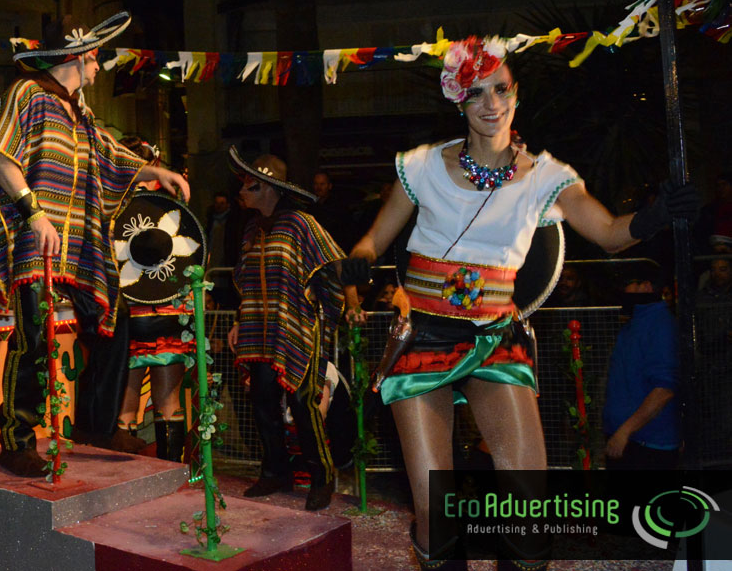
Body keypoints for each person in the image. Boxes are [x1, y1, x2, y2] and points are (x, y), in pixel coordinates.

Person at [342, 35, 697, 570]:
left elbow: (608, 233)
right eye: (476, 93)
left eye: (501, 89)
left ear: (516, 92)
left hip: (495, 340)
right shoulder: (421, 167)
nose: (491, 104)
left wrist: (656, 215)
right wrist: (359, 260)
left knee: (530, 516)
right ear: (457, 100)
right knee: (436, 515)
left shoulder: (548, 177)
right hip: (425, 339)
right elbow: (372, 240)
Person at [0, 13, 190, 477]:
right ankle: (16, 440)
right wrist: (33, 212)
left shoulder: (78, 113)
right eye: (96, 58)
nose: (99, 67)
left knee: (112, 323)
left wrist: (158, 171)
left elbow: (110, 155)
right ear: (78, 57)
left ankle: (95, 425)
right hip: (35, 238)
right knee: (33, 338)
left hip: (78, 243)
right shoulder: (27, 94)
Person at [226, 147, 345, 511]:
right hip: (257, 329)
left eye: (248, 185)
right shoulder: (250, 229)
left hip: (297, 328)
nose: (241, 191)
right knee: (262, 400)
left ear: (268, 187)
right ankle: (275, 471)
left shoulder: (301, 225)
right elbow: (246, 281)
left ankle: (322, 477)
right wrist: (239, 320)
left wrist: (326, 314)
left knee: (303, 403)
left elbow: (331, 269)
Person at [115, 137, 193, 462]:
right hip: (171, 311)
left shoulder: (112, 208)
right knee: (169, 403)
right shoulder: (169, 209)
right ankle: (172, 476)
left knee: (125, 407)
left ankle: (129, 480)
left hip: (128, 313)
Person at [603, 274, 680, 470]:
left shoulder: (660, 326)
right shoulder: (635, 324)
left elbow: (664, 390)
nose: (623, 291)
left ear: (646, 286)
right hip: (629, 440)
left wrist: (625, 431)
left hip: (647, 444)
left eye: (628, 283)